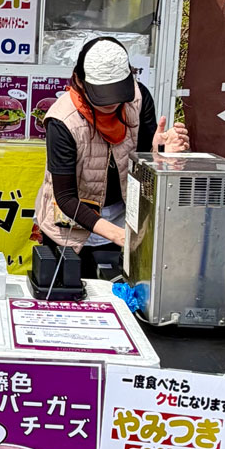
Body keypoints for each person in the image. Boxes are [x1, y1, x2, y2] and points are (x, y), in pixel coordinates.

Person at [34, 36, 189, 278]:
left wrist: (162, 154)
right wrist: (117, 235)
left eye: (117, 94)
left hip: (125, 219)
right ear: (79, 81)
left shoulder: (138, 99)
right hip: (71, 227)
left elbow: (145, 168)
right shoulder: (62, 120)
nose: (112, 103)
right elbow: (64, 197)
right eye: (102, 95)